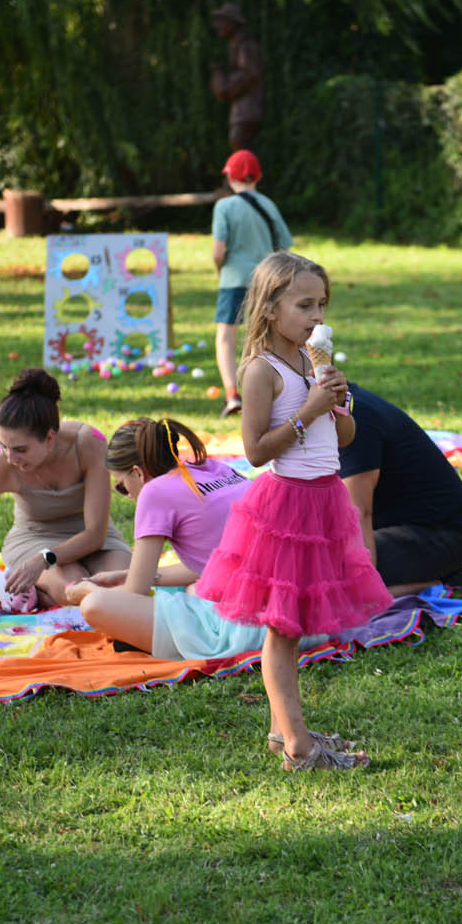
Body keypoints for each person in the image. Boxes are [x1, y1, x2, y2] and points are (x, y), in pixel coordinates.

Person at [194, 252, 392, 771]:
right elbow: (257, 450)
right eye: (304, 304)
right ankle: (300, 749)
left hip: (325, 499)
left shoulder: (310, 361)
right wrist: (307, 413)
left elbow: (345, 438)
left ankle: (285, 730)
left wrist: (340, 402)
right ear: (269, 305)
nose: (317, 316)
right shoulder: (260, 370)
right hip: (286, 508)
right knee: (282, 630)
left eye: (322, 304)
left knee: (296, 626)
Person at [0, 369, 131, 619]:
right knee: (80, 591)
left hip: (91, 537)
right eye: (3, 445)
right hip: (35, 538)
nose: (10, 457)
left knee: (126, 588)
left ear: (50, 438)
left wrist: (43, 560)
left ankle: (40, 593)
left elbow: (95, 534)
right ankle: (44, 591)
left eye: (20, 449)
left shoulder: (88, 444)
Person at [64, 417, 258, 656]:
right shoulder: (213, 468)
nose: (127, 496)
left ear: (137, 473)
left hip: (241, 625)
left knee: (94, 606)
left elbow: (135, 592)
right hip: (284, 605)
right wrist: (126, 575)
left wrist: (84, 591)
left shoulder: (155, 491)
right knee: (189, 590)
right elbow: (210, 564)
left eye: (122, 486)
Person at [339, 383, 462, 594]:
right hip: (394, 527)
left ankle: (433, 584)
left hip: (439, 535)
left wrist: (361, 590)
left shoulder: (353, 418)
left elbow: (358, 513)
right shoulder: (324, 412)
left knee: (320, 572)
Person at [211, 149, 293, 417]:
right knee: (262, 337)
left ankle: (233, 395)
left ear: (230, 177)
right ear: (257, 176)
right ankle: (267, 394)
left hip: (233, 279)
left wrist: (219, 268)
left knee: (226, 337)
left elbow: (219, 251)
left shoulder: (224, 206)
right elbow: (284, 247)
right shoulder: (269, 205)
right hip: (267, 280)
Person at [208, 2, 263, 151]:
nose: (216, 25)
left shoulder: (246, 45)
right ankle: (243, 173)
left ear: (232, 23)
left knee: (239, 142)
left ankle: (247, 174)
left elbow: (249, 73)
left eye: (221, 21)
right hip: (240, 110)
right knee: (237, 144)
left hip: (247, 109)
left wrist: (226, 86)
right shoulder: (235, 46)